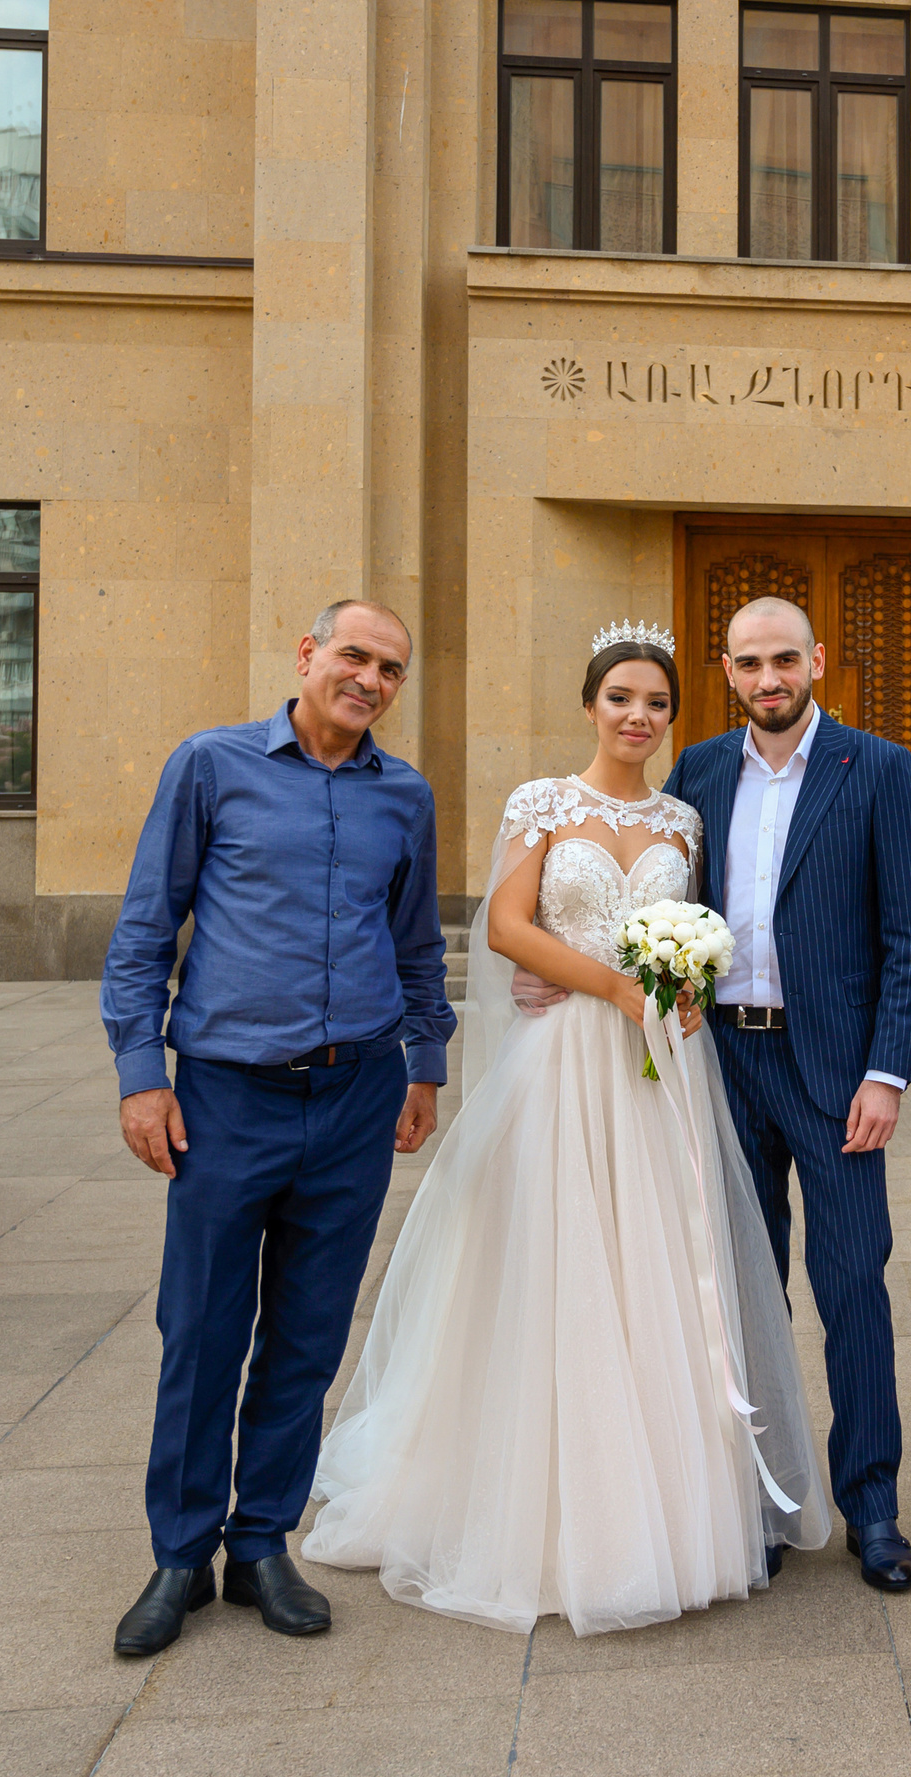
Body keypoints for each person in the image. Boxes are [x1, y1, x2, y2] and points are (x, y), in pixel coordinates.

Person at [304, 623, 829, 1635]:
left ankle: (667, 1510)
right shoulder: (543, 802)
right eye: (621, 698)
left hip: (658, 1077)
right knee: (553, 1270)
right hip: (563, 1066)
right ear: (590, 704)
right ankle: (538, 1515)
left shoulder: (684, 820)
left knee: (659, 1270)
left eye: (656, 704)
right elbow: (505, 925)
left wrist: (686, 989)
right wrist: (620, 988)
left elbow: (709, 937)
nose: (638, 717)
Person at [99, 599, 455, 1657]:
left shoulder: (404, 794)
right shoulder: (209, 766)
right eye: (354, 656)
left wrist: (423, 1065)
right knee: (201, 1330)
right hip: (224, 1096)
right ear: (306, 656)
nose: (370, 679)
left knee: (305, 1335)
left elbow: (416, 944)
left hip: (354, 1096)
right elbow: (143, 931)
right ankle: (179, 1553)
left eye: (390, 667)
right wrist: (140, 1076)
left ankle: (261, 1543)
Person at [662, 596, 911, 1592]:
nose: (767, 677)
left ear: (817, 659)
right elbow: (664, 899)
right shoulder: (696, 769)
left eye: (784, 658)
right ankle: (763, 1505)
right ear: (726, 669)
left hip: (834, 1077)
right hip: (725, 1063)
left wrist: (886, 1071)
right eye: (748, 662)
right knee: (743, 1290)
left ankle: (872, 1508)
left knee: (854, 1284)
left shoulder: (877, 767)